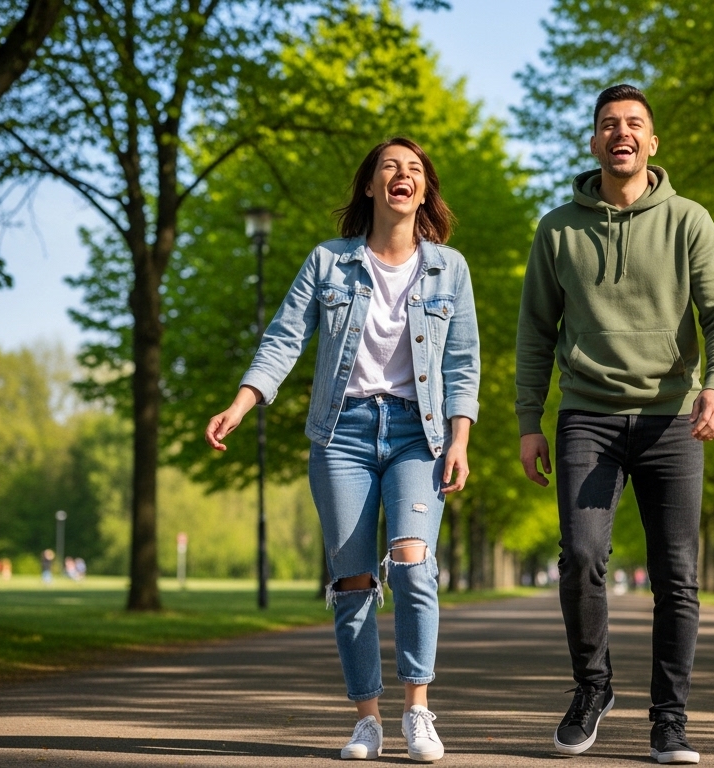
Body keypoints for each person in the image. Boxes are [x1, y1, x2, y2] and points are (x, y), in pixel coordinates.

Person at [205, 137, 478, 763]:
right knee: (353, 579)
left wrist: (460, 439)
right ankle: (367, 719)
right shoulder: (328, 263)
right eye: (390, 167)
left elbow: (463, 363)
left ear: (424, 191)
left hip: (419, 433)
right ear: (369, 186)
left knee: (412, 562)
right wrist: (242, 402)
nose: (401, 176)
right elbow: (284, 337)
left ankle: (417, 711)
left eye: (414, 170)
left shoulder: (449, 268)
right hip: (342, 435)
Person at [515, 84, 714, 765]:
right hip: (587, 415)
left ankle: (669, 721)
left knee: (677, 573)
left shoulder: (689, 221)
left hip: (672, 418)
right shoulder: (558, 229)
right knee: (582, 556)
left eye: (634, 124)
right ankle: (593, 688)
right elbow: (534, 332)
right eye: (609, 124)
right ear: (593, 142)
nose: (622, 132)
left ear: (651, 142)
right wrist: (530, 420)